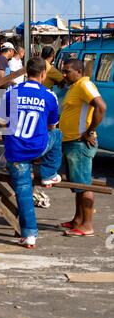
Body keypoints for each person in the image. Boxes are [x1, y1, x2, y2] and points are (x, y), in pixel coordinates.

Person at [0, 56, 62, 248]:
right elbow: (52, 125)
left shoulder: (11, 92)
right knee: (58, 135)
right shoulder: (50, 96)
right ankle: (49, 173)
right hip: (38, 147)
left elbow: (1, 122)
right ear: (43, 74)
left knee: (24, 192)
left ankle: (30, 235)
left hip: (15, 151)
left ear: (27, 72)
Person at [59, 59, 106, 237]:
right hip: (71, 142)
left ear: (79, 71)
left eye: (67, 71)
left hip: (80, 144)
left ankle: (87, 225)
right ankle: (78, 220)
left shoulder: (85, 85)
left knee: (84, 185)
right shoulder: (75, 86)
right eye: (63, 71)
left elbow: (101, 107)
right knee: (77, 185)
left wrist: (89, 131)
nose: (64, 74)